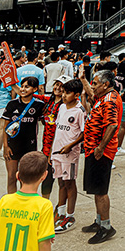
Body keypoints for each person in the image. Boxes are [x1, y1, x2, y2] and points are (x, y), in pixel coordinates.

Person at [0, 151, 55, 251]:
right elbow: (45, 243)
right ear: (44, 176)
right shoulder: (44, 205)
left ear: (18, 176)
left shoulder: (5, 201)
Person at [81, 69, 122, 244]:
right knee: (96, 189)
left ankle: (106, 227)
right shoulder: (103, 96)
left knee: (100, 191)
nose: (92, 86)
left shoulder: (110, 100)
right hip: (93, 149)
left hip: (101, 152)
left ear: (105, 85)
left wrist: (100, 148)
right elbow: (91, 93)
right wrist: (83, 80)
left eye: (95, 83)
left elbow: (112, 126)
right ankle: (99, 221)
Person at [1, 77, 46, 195]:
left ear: (35, 89)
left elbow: (47, 122)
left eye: (27, 86)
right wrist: (5, 146)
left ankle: (23, 202)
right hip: (12, 146)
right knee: (11, 177)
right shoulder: (12, 104)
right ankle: (11, 202)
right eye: (22, 86)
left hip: (29, 147)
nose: (23, 89)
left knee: (25, 179)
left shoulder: (39, 105)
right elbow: (5, 128)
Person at [52, 79, 86, 232]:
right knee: (60, 183)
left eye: (67, 93)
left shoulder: (80, 111)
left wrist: (70, 145)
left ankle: (70, 216)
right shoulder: (61, 107)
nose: (64, 95)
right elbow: (58, 129)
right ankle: (60, 213)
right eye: (63, 92)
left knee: (70, 184)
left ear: (77, 95)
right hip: (57, 152)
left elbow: (84, 133)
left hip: (70, 154)